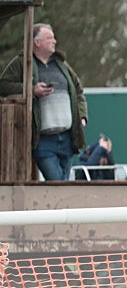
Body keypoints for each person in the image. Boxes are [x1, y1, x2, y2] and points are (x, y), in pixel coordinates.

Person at [0, 23, 88, 181]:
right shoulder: (22, 63)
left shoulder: (62, 65)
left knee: (63, 183)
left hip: (68, 137)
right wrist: (31, 90)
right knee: (57, 182)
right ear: (36, 42)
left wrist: (82, 116)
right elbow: (3, 85)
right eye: (49, 38)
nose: (54, 41)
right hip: (43, 139)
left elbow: (78, 90)